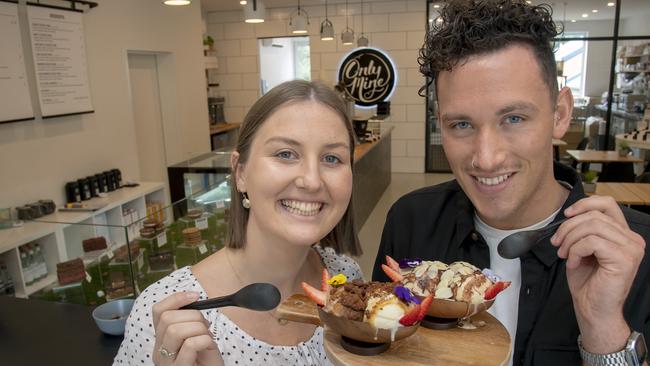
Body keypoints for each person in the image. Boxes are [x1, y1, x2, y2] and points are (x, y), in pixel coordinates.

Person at [372, 1, 649, 365]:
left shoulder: (635, 254)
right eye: (462, 125)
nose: (486, 158)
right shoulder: (410, 222)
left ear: (560, 114)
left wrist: (602, 328)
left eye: (514, 118)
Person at [114, 80, 363, 365]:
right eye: (285, 154)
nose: (312, 180)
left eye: (332, 158)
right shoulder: (167, 316)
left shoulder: (345, 279)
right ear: (240, 172)